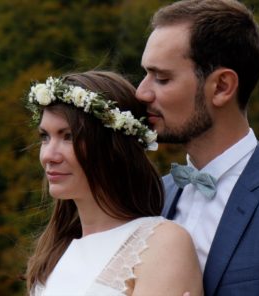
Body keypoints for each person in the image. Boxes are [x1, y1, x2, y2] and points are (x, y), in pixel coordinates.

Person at [136, 0, 259, 295]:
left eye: (162, 78)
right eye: (145, 74)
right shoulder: (152, 198)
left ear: (221, 87)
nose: (141, 92)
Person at [24, 71, 203, 295]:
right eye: (45, 137)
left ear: (113, 148)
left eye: (68, 136)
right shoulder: (53, 252)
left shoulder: (161, 244)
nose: (48, 155)